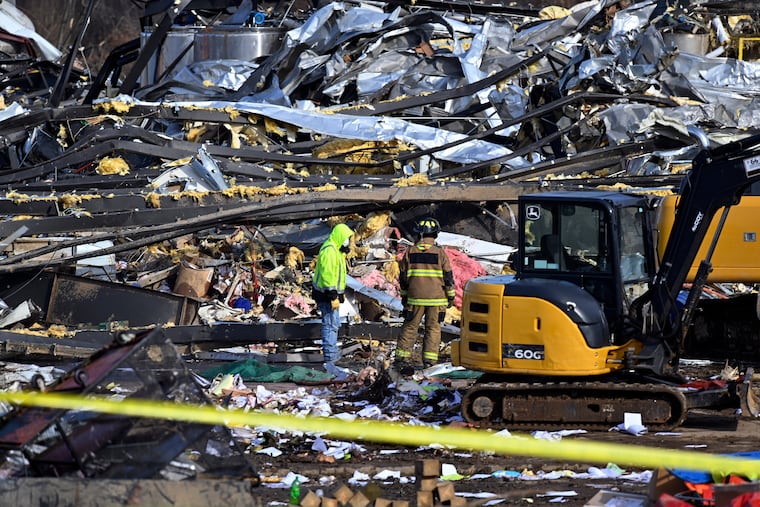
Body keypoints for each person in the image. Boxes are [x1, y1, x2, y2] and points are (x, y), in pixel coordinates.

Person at [394, 217, 455, 374]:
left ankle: (402, 359)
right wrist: (450, 297)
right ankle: (429, 362)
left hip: (415, 298)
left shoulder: (410, 252)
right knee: (433, 329)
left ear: (419, 234)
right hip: (437, 299)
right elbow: (448, 278)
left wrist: (405, 297)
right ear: (435, 235)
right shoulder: (440, 254)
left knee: (410, 327)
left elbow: (403, 278)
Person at [312, 222, 355, 380]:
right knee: (330, 324)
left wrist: (340, 292)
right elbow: (328, 274)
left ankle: (332, 356)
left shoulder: (336, 251)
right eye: (345, 239)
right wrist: (332, 292)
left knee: (334, 323)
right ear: (339, 237)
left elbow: (339, 276)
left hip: (330, 293)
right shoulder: (330, 251)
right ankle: (330, 358)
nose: (347, 242)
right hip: (326, 294)